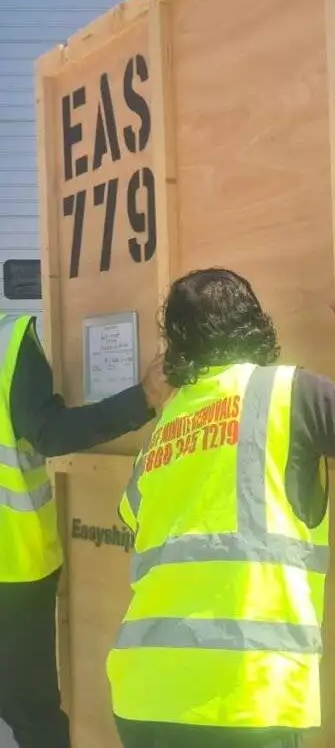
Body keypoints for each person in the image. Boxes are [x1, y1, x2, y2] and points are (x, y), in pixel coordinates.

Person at [107, 267, 335, 748]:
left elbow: (133, 517)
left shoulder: (167, 428)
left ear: (177, 347)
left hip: (143, 697)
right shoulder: (289, 394)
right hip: (243, 700)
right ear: (257, 324)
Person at [0, 312, 172, 748]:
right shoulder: (10, 340)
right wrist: (144, 398)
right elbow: (50, 435)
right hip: (14, 569)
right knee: (30, 711)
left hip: (16, 569)